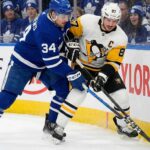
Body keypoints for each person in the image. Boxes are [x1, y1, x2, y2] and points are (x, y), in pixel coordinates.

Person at [51, 2, 139, 143]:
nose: (111, 23)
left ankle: (122, 125)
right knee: (77, 94)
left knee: (122, 96)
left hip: (103, 68)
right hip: (82, 65)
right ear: (102, 16)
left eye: (114, 20)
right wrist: (71, 45)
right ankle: (59, 127)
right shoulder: (86, 21)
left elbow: (113, 62)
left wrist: (102, 78)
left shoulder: (121, 37)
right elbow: (67, 34)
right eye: (108, 19)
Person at [0, 0, 86, 137]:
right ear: (53, 14)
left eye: (67, 16)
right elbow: (52, 62)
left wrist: (71, 42)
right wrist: (71, 73)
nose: (66, 19)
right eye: (62, 16)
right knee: (7, 98)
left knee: (63, 90)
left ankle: (50, 124)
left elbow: (67, 32)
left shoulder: (56, 18)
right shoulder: (45, 29)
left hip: (42, 63)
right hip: (23, 62)